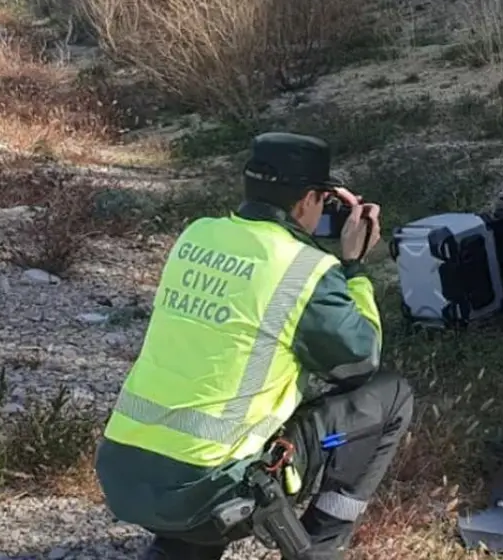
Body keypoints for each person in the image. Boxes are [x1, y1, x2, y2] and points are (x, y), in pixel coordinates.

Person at [94, 131, 415, 560]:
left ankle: (175, 550)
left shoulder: (197, 235)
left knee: (210, 424)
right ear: (308, 200)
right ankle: (320, 547)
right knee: (392, 396)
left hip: (124, 477)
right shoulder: (305, 269)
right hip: (214, 495)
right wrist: (353, 267)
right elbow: (359, 361)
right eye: (323, 199)